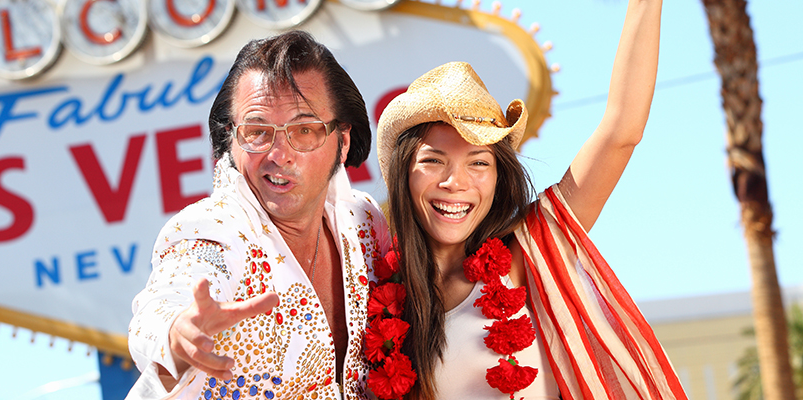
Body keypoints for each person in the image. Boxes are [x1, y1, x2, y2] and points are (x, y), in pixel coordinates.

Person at [373, 0, 688, 398]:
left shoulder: (529, 250)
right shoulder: (372, 288)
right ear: (404, 174)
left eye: (478, 162)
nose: (456, 182)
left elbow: (621, 131)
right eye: (433, 161)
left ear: (498, 178)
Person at [127, 30, 390, 400]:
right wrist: (177, 333)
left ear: (342, 142)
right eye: (257, 132)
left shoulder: (363, 221)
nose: (279, 154)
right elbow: (167, 300)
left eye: (304, 130)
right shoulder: (213, 229)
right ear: (229, 142)